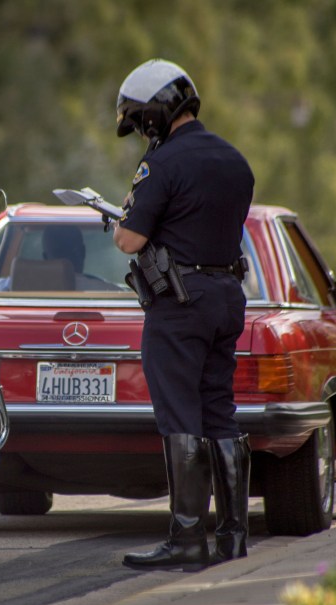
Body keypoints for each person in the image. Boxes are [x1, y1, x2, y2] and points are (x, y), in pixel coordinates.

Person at [110, 59, 255, 572]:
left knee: (179, 417)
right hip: (226, 296)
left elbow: (129, 238)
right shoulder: (236, 160)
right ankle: (234, 540)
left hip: (180, 304)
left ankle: (187, 540)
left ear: (153, 116)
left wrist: (129, 206)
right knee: (220, 412)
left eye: (139, 123)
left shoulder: (163, 163)